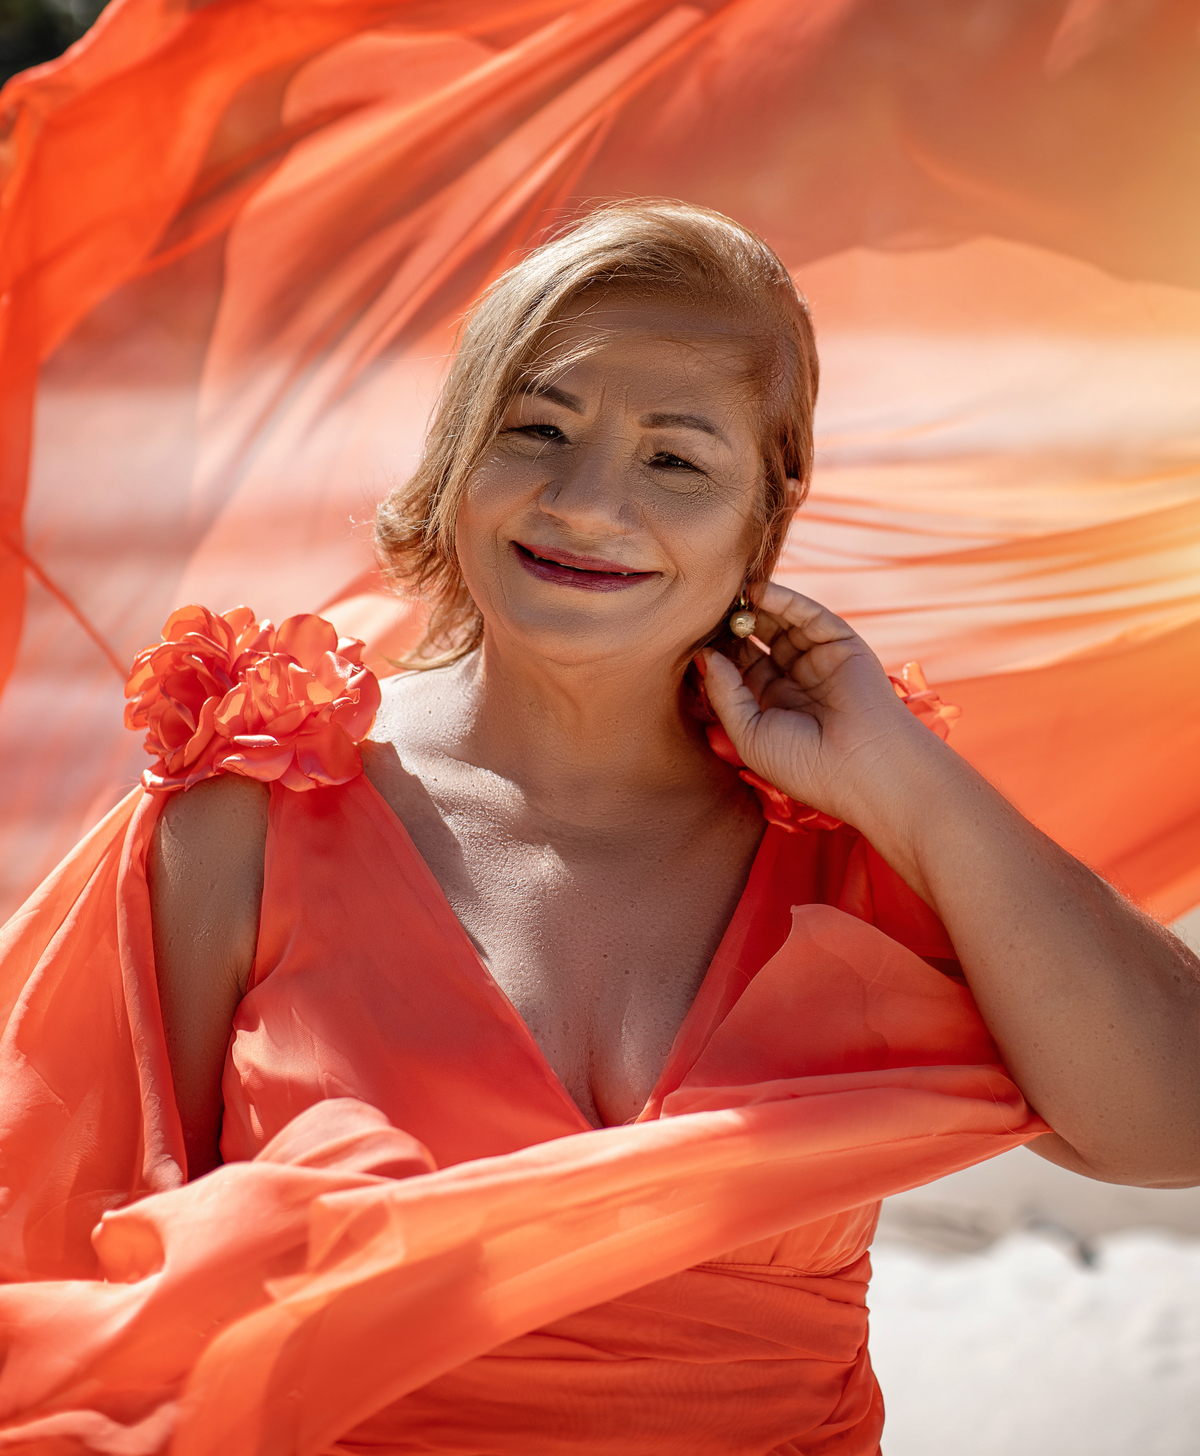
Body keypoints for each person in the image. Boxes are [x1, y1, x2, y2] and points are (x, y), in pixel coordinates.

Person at [2, 200, 1198, 1454]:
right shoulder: (255, 808)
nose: (586, 504)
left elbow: (1171, 1125)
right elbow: (80, 1265)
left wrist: (910, 783)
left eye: (676, 460)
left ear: (769, 504)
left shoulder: (857, 837)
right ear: (461, 451)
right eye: (538, 429)